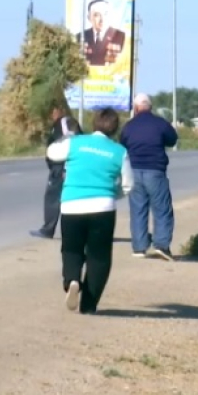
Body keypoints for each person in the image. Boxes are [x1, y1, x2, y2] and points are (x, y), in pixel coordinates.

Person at [46, 108, 133, 314]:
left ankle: (72, 280)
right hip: (103, 207)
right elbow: (129, 185)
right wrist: (113, 194)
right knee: (99, 256)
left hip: (72, 206)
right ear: (115, 128)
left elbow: (52, 153)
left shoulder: (76, 143)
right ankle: (89, 305)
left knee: (71, 248)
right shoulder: (119, 151)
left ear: (94, 124)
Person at [120, 93, 179, 260]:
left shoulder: (129, 126)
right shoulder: (160, 124)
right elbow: (172, 140)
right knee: (162, 209)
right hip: (155, 171)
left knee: (138, 210)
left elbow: (122, 145)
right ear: (150, 107)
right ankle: (161, 245)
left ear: (136, 108)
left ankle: (139, 247)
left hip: (134, 171)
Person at [30, 106, 81, 239]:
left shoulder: (64, 123)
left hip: (62, 167)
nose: (52, 114)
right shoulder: (68, 122)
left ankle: (48, 229)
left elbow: (67, 141)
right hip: (69, 165)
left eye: (54, 111)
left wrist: (60, 166)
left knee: (53, 197)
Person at [77, 0, 127, 66]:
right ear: (89, 18)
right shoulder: (80, 36)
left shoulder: (120, 36)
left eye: (105, 14)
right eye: (96, 15)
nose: (102, 19)